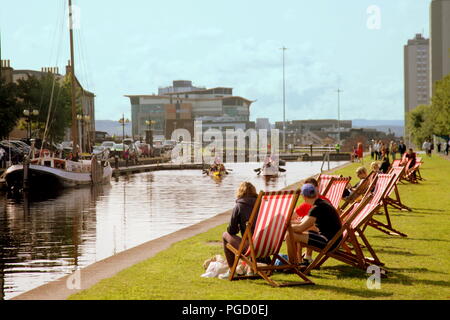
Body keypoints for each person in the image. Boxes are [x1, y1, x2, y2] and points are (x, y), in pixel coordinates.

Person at [286, 184, 343, 267]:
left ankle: (292, 265)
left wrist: (285, 227)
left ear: (304, 197)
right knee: (292, 233)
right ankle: (295, 263)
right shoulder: (322, 203)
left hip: (329, 242)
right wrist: (288, 224)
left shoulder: (316, 208)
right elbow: (302, 224)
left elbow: (300, 228)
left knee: (289, 236)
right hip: (334, 239)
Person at [222, 182, 258, 268]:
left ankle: (232, 269)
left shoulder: (239, 206)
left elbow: (231, 231)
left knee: (225, 235)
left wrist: (238, 226)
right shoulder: (263, 204)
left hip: (251, 247)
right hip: (266, 245)